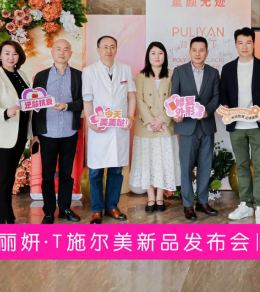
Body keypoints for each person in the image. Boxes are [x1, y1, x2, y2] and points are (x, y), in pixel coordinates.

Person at [220, 27, 260, 224]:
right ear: (236, 45)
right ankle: (245, 204)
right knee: (242, 165)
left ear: (254, 44)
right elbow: (223, 92)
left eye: (248, 42)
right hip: (237, 125)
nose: (244, 46)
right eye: (240, 43)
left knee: (259, 166)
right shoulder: (227, 68)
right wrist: (225, 106)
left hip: (257, 124)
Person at [82, 36, 136, 224]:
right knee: (95, 172)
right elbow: (87, 100)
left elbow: (131, 96)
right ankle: (97, 209)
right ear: (98, 49)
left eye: (112, 47)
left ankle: (112, 206)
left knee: (116, 170)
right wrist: (90, 122)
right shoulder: (89, 71)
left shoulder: (125, 69)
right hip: (99, 127)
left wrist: (130, 117)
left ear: (116, 49)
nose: (108, 50)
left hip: (119, 128)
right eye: (105, 47)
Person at [31, 39, 83, 224]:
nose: (62, 52)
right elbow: (34, 106)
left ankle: (65, 208)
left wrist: (67, 106)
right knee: (47, 175)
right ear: (52, 52)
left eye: (66, 49)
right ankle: (48, 211)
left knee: (66, 174)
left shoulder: (79, 76)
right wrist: (35, 134)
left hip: (69, 132)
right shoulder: (41, 76)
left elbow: (84, 101)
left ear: (71, 53)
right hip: (47, 133)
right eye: (58, 49)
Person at [0, 41, 33, 224]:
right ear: (0, 55)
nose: (11, 57)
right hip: (1, 135)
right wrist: (5, 112)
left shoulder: (21, 75)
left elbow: (28, 103)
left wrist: (30, 133)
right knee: (3, 177)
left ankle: (4, 214)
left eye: (15, 53)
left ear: (19, 56)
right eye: (7, 53)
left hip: (19, 133)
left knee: (9, 176)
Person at [171, 36, 219, 221]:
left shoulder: (213, 72)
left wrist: (206, 111)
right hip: (186, 126)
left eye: (201, 50)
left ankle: (203, 202)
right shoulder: (179, 71)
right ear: (189, 51)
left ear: (207, 52)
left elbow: (216, 97)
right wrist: (176, 113)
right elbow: (174, 98)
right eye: (194, 50)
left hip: (206, 125)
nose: (198, 53)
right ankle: (187, 205)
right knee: (186, 167)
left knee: (205, 166)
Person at [130, 41, 180, 213]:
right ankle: (150, 197)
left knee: (163, 162)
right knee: (148, 162)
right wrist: (151, 120)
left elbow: (174, 99)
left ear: (165, 56)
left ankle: (160, 197)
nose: (157, 56)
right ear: (148, 56)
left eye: (160, 53)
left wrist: (162, 119)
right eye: (153, 53)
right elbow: (138, 100)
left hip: (165, 126)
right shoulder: (140, 75)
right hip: (146, 126)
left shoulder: (172, 74)